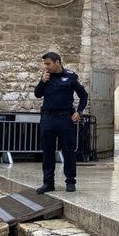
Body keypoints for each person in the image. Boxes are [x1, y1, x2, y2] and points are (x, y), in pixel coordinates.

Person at [33, 52, 88, 193]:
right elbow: (37, 94)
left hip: (65, 119)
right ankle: (48, 183)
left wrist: (79, 111)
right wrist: (42, 81)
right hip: (48, 118)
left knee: (68, 151)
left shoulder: (70, 77)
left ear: (57, 62)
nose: (46, 67)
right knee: (48, 152)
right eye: (45, 64)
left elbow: (83, 95)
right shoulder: (46, 77)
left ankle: (70, 182)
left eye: (48, 63)